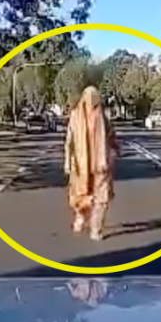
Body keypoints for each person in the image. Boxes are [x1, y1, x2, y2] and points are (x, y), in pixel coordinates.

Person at [64, 86, 120, 240]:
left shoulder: (103, 117)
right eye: (90, 98)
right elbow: (69, 142)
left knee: (102, 199)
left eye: (95, 98)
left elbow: (112, 135)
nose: (93, 102)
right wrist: (68, 162)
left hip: (101, 165)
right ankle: (81, 216)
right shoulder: (75, 116)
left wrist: (115, 151)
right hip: (80, 166)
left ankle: (96, 229)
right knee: (80, 197)